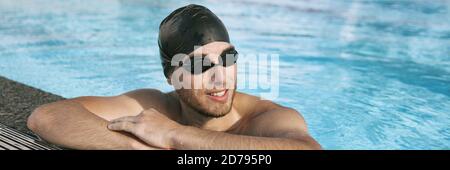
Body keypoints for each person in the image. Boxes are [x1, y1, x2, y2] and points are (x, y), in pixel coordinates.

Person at [27, 4, 321, 150]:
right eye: (199, 66)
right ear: (172, 77)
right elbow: (48, 117)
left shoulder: (262, 120)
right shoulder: (155, 107)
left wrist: (174, 135)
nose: (221, 79)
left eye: (228, 59)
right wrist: (137, 146)